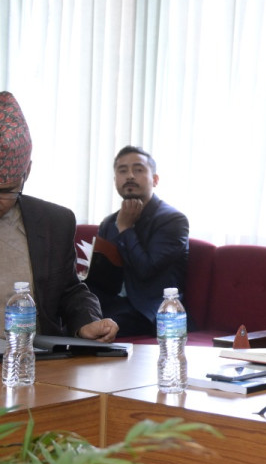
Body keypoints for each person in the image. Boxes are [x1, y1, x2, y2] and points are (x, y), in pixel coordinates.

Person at [0, 92, 116, 341]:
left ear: (27, 172)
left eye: (5, 191)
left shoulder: (54, 222)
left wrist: (86, 322)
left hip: (33, 357)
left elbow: (70, 291)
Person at [85, 146, 188, 336]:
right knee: (68, 319)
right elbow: (104, 279)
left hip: (149, 309)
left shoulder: (173, 220)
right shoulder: (109, 223)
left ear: (155, 180)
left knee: (97, 328)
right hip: (113, 304)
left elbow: (146, 269)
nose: (130, 176)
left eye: (138, 169)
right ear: (115, 180)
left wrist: (126, 229)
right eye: (122, 171)